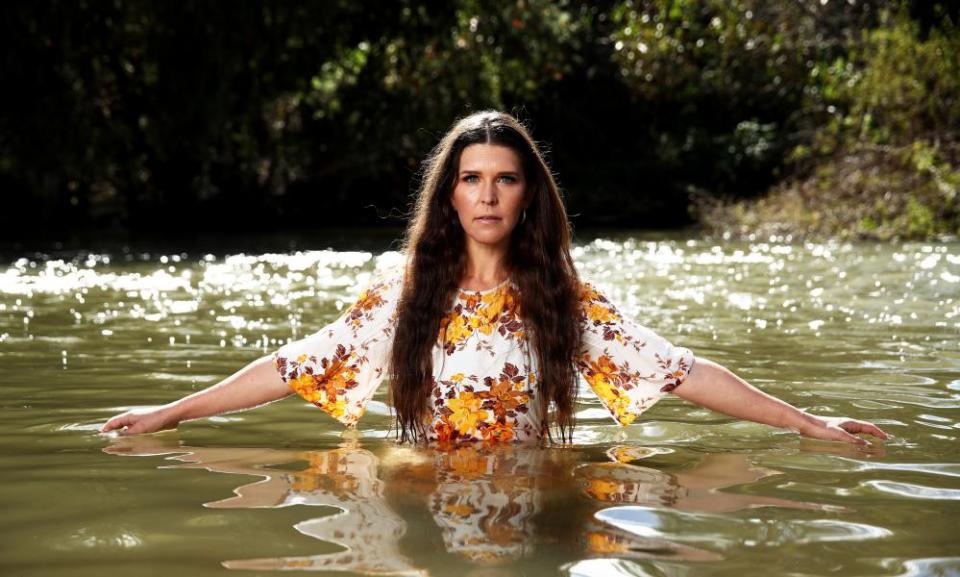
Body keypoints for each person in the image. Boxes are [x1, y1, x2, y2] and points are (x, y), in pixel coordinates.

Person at [101, 110, 890, 447]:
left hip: (531, 494)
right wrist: (173, 413)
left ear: (527, 192)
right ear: (449, 191)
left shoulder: (561, 298)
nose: (486, 193)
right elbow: (295, 363)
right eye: (471, 176)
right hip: (421, 491)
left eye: (504, 178)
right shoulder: (406, 295)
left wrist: (807, 423)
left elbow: (678, 369)